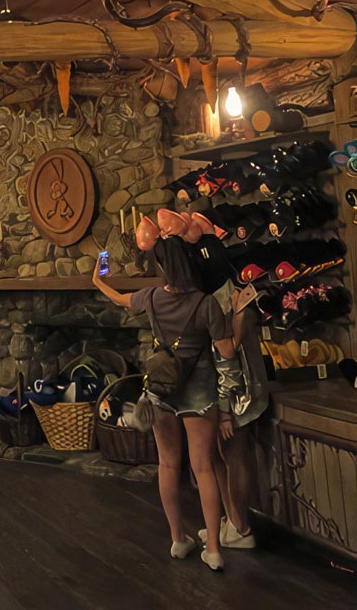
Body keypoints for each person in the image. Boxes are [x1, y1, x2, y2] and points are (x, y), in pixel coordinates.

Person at [93, 236, 240, 572]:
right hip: (200, 393)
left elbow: (116, 296)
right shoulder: (206, 304)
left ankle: (178, 539)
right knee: (203, 467)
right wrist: (241, 321)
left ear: (162, 266)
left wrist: (100, 271)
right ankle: (214, 550)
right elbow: (228, 350)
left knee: (168, 465)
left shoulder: (152, 297)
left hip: (161, 391)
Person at [199, 284, 267, 550]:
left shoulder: (220, 305)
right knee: (221, 456)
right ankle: (231, 520)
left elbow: (228, 362)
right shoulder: (231, 295)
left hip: (238, 397)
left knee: (233, 458)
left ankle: (241, 527)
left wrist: (225, 411)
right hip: (235, 393)